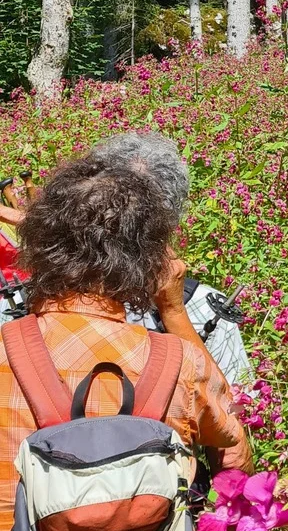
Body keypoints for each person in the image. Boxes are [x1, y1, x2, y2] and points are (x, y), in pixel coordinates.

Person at [0, 154, 253, 528]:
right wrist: (173, 311)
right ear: (150, 259)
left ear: (38, 245)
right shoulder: (180, 361)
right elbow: (233, 458)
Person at [0, 134, 253, 387]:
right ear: (169, 225)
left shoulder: (20, 306)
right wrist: (174, 312)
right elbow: (234, 412)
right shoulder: (202, 309)